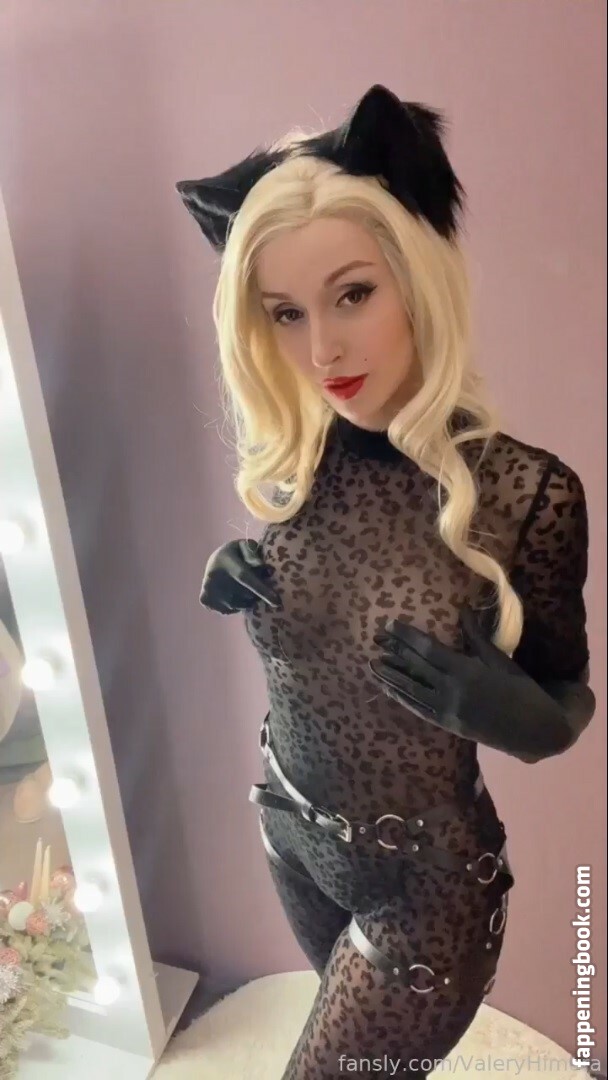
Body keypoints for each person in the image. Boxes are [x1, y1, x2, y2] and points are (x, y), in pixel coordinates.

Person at [177, 85, 596, 1079]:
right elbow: (321, 604)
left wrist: (521, 715)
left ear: (416, 278)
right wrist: (234, 572)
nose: (320, 348)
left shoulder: (525, 493)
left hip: (427, 886)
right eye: (285, 313)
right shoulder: (297, 458)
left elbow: (567, 696)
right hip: (290, 838)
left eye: (352, 294)